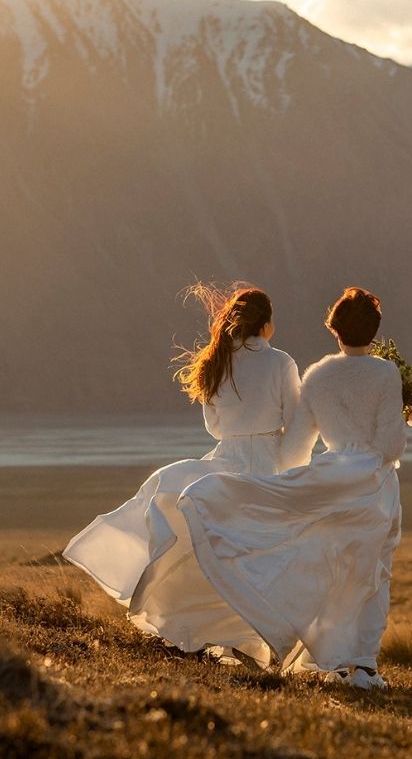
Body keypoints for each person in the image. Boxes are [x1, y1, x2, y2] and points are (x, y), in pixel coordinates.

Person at [176, 287, 409, 689]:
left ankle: (330, 660)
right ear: (374, 332)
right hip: (374, 484)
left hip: (332, 481)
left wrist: (295, 487)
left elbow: (296, 447)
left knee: (331, 572)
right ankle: (365, 666)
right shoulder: (386, 374)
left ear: (335, 331)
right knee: (373, 573)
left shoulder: (317, 375)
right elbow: (391, 445)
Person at [63, 284, 300, 666]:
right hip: (267, 465)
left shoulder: (218, 360)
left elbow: (214, 427)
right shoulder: (281, 363)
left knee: (212, 551)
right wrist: (291, 468)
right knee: (261, 556)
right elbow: (296, 420)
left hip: (227, 459)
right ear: (267, 324)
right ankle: (254, 641)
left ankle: (220, 636)